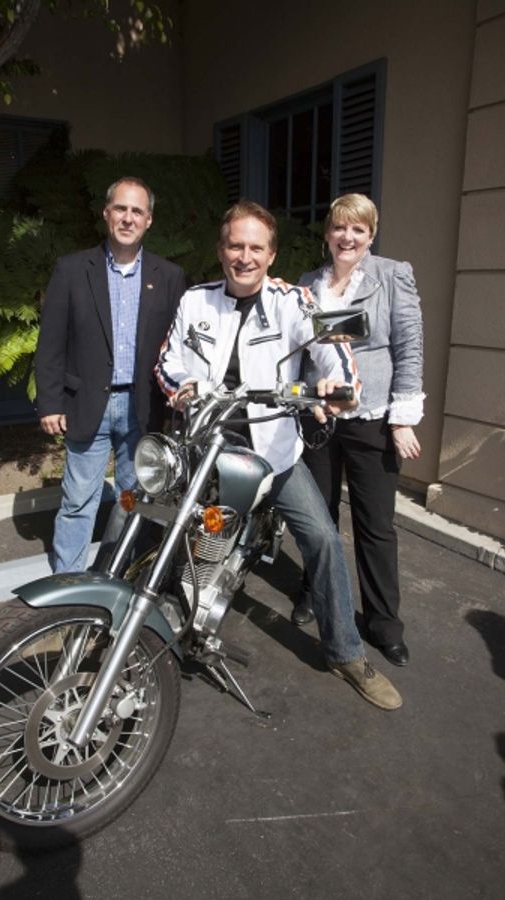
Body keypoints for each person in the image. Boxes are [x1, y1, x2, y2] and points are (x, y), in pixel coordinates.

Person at [155, 199, 402, 711]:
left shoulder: (295, 301)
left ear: (271, 255)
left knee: (325, 541)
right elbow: (169, 360)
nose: (244, 256)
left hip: (272, 452)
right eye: (235, 245)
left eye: (256, 247)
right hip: (206, 443)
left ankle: (345, 652)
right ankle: (157, 618)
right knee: (177, 527)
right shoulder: (196, 301)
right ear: (221, 249)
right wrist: (182, 386)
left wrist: (336, 384)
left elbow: (336, 356)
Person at [293, 193, 424, 669]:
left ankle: (383, 624)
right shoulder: (310, 283)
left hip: (371, 420)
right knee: (318, 520)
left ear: (371, 234)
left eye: (358, 230)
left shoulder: (391, 275)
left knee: (375, 527)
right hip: (322, 421)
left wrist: (403, 415)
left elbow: (409, 347)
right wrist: (310, 396)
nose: (347, 238)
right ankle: (314, 592)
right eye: (339, 228)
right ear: (328, 233)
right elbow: (304, 351)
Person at [35, 176, 186, 573]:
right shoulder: (71, 270)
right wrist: (50, 402)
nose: (128, 218)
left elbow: (176, 348)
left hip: (142, 406)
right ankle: (67, 586)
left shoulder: (168, 276)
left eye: (137, 211)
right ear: (106, 213)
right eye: (121, 208)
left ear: (149, 220)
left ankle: (120, 576)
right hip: (87, 403)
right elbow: (50, 342)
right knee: (77, 500)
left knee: (133, 500)